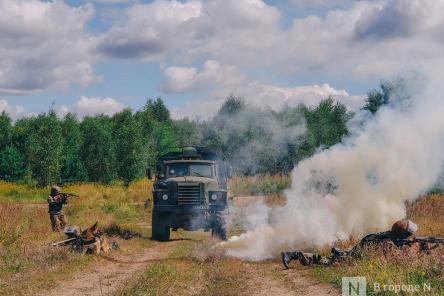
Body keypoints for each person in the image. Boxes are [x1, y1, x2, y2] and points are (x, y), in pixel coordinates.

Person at [281, 219, 418, 269]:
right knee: (324, 261)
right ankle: (293, 254)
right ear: (403, 235)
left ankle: (293, 254)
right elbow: (394, 261)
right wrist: (412, 250)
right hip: (349, 259)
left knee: (325, 261)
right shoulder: (387, 241)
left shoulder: (387, 235)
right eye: (409, 235)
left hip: (352, 254)